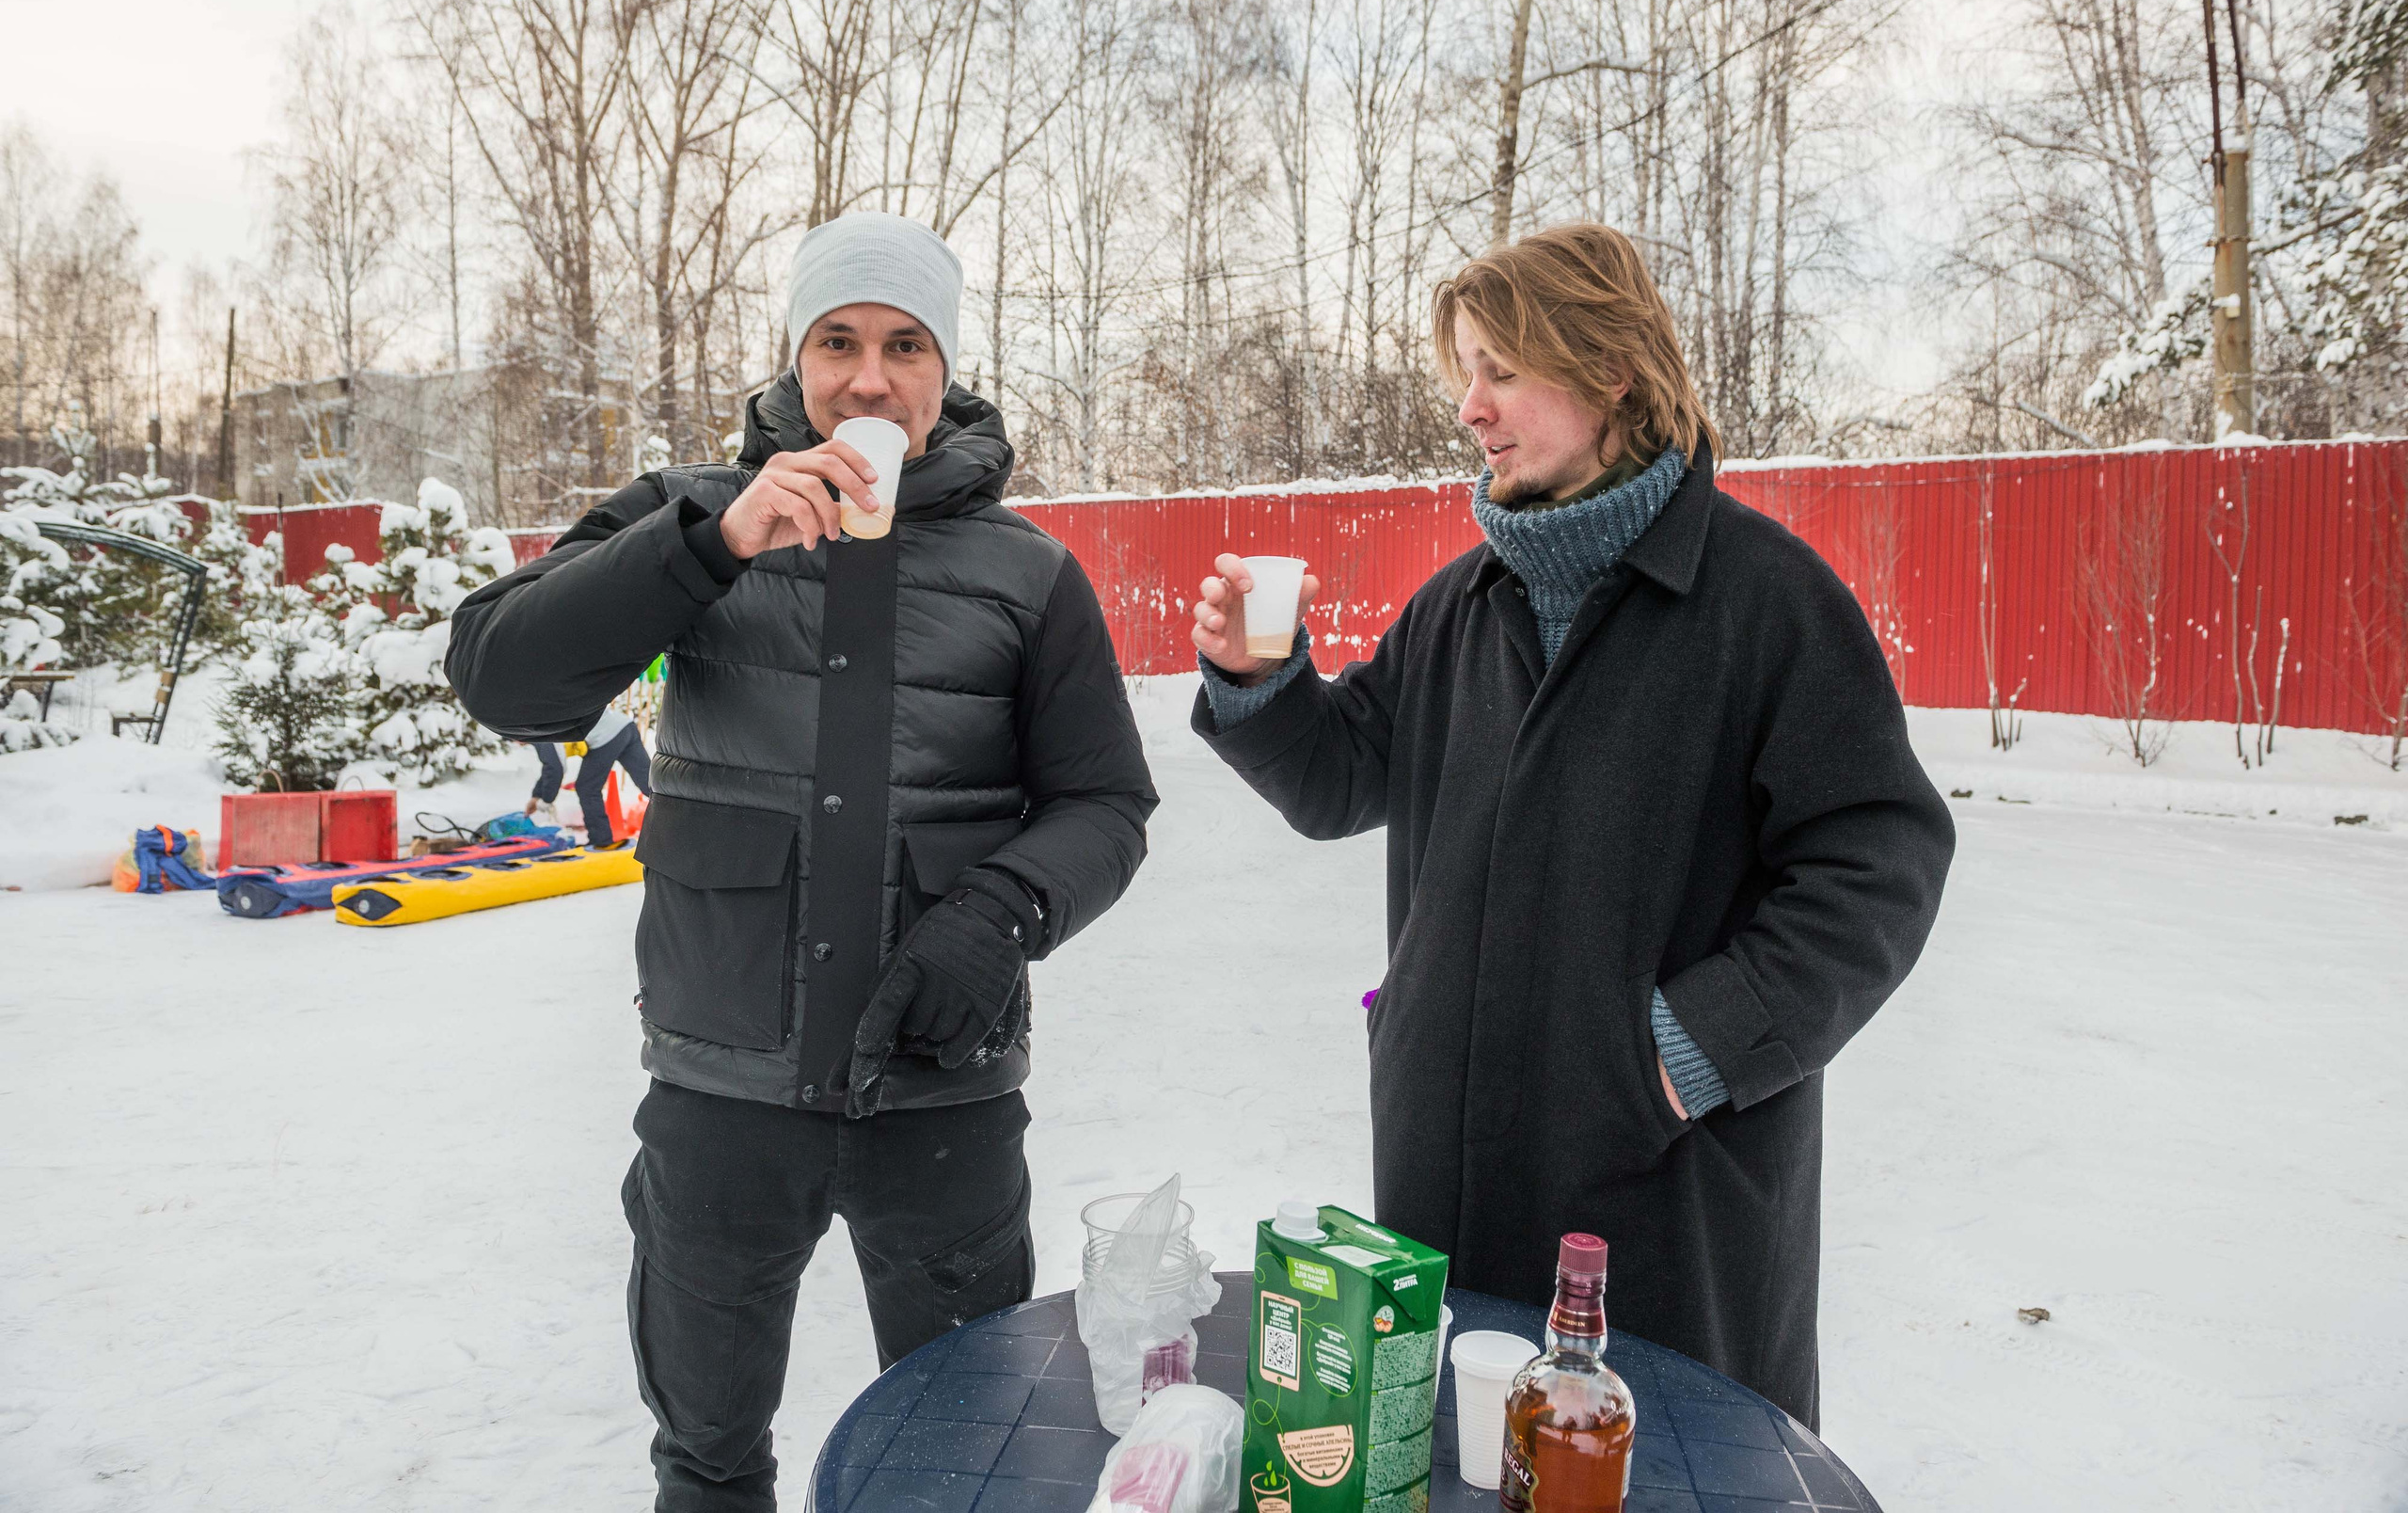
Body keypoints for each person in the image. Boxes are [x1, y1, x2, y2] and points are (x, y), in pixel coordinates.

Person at [446, 211, 1157, 1510]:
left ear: (945, 369)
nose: (870, 377)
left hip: (941, 1101)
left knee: (965, 1462)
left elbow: (1108, 804)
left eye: (904, 343)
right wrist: (710, 548)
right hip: (722, 1103)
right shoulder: (689, 520)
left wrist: (997, 913)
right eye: (838, 341)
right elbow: (499, 675)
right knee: (707, 1459)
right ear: (796, 354)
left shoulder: (1028, 574)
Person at [1188, 224, 1953, 1428]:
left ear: (1610, 370)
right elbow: (1344, 779)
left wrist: (1687, 1049)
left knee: (1659, 1456)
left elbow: (1880, 859)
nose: (1469, 406)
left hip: (1663, 1172)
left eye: (1500, 370)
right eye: (1462, 375)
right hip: (1446, 1157)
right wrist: (1258, 680)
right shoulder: (1460, 603)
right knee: (1457, 1449)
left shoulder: (1763, 599)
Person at [527, 704, 653, 846]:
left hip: (605, 735)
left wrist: (547, 800)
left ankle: (602, 842)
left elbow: (555, 768)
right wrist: (537, 796)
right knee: (650, 783)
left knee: (587, 788)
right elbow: (551, 766)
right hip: (624, 725)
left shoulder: (536, 730)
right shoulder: (542, 717)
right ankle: (678, 818)